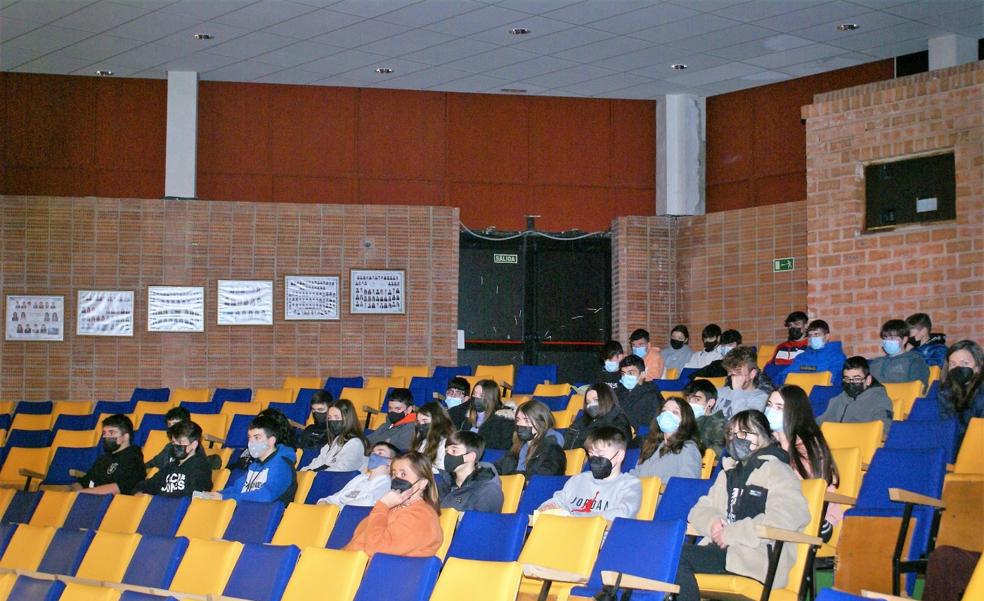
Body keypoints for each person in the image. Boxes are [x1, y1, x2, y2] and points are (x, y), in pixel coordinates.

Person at [677, 410, 811, 601]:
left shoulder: (778, 470)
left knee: (674, 558)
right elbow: (700, 509)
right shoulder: (729, 472)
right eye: (731, 434)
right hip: (723, 552)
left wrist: (731, 533)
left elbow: (787, 517)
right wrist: (713, 522)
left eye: (744, 433)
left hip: (756, 557)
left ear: (764, 437)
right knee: (667, 554)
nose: (735, 439)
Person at [765, 385, 840, 542]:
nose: (771, 411)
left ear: (794, 413)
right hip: (778, 513)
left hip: (816, 518)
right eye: (769, 405)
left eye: (779, 407)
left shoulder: (810, 446)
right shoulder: (767, 442)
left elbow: (803, 488)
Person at [344, 451, 443, 557]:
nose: (397, 479)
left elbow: (376, 550)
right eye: (394, 474)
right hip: (347, 564)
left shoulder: (422, 515)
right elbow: (357, 542)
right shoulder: (392, 508)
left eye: (403, 474)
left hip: (367, 571)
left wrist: (383, 506)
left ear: (422, 483)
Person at [537, 426, 642, 519]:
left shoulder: (629, 484)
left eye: (600, 454)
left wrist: (575, 518)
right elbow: (558, 500)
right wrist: (548, 507)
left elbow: (623, 513)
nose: (595, 459)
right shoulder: (578, 479)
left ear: (619, 455)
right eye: (591, 454)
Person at [207, 415, 297, 504]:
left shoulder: (282, 466)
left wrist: (224, 497)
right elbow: (237, 488)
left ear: (271, 441)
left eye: (257, 437)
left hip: (266, 515)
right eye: (249, 437)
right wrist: (216, 495)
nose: (251, 442)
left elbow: (266, 496)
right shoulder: (255, 465)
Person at [816, 356, 894, 433]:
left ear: (868, 380)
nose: (851, 383)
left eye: (857, 379)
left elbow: (882, 430)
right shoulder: (838, 399)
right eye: (847, 379)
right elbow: (820, 422)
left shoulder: (880, 401)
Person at [134, 420, 212, 497]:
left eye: (180, 442)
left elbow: (196, 495)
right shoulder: (170, 467)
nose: (176, 446)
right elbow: (146, 485)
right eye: (174, 443)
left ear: (194, 445)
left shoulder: (202, 467)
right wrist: (139, 493)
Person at [631, 398, 703, 480]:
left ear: (685, 420)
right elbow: (636, 474)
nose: (667, 415)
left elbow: (686, 485)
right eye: (664, 411)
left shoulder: (689, 449)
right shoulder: (652, 445)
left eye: (675, 412)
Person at [74, 414, 146, 495]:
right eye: (104, 433)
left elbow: (117, 489)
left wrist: (80, 493)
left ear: (125, 437)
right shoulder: (104, 459)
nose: (105, 436)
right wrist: (75, 494)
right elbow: (82, 482)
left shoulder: (134, 460)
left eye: (111, 433)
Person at [496, 400, 566, 476]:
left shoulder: (552, 445)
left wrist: (514, 477)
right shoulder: (521, 444)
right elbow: (500, 466)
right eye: (518, 420)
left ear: (541, 422)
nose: (520, 424)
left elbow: (543, 475)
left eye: (526, 421)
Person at [438, 431, 504, 512]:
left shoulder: (487, 491)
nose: (447, 456)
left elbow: (478, 523)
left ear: (471, 456)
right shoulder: (446, 483)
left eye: (454, 451)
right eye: (446, 451)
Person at [318, 442, 399, 507]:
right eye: (373, 452)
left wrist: (339, 507)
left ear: (390, 462)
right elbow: (336, 497)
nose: (373, 455)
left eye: (380, 452)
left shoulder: (386, 484)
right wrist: (323, 502)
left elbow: (369, 503)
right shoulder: (360, 478)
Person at [938, 340, 984, 447]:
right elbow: (948, 426)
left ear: (978, 366)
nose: (958, 368)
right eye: (953, 364)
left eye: (964, 363)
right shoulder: (946, 391)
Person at [302, 399, 368, 472]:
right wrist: (304, 472)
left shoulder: (355, 443)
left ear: (348, 419)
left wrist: (315, 472)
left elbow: (341, 471)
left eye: (337, 417)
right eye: (329, 418)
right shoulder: (334, 441)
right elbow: (316, 463)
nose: (332, 421)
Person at [448, 379, 515, 450]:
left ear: (491, 398)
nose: (476, 397)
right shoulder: (467, 415)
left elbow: (505, 448)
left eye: (481, 395)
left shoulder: (504, 419)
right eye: (474, 393)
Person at [776, 319, 847, 387]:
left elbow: (834, 381)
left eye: (816, 335)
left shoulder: (837, 357)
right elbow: (784, 375)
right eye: (810, 336)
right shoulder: (801, 357)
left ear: (827, 336)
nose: (813, 338)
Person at [564, 383, 632, 451]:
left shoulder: (618, 422)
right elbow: (568, 442)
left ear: (606, 399)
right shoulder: (585, 419)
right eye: (588, 402)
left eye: (596, 400)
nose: (591, 405)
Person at [715, 346, 771, 419]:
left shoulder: (762, 398)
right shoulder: (719, 392)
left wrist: (737, 391)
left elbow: (745, 424)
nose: (732, 376)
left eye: (738, 371)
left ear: (752, 374)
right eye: (730, 371)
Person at [869, 319, 930, 387]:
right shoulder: (876, 363)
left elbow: (917, 390)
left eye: (892, 338)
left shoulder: (915, 361)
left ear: (904, 340)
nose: (887, 341)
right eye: (885, 337)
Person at [145, 406, 207, 471]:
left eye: (175, 425)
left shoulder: (193, 448)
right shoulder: (169, 447)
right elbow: (152, 463)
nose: (172, 429)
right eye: (169, 425)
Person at [615, 354, 665, 430]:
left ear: (642, 374)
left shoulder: (651, 396)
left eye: (630, 373)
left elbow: (653, 428)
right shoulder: (619, 391)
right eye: (623, 373)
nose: (625, 377)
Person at [764, 311, 811, 382]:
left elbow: (812, 368)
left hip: (800, 382)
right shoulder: (781, 347)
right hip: (778, 384)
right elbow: (769, 368)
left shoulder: (811, 346)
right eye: (790, 325)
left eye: (797, 324)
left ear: (806, 325)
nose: (793, 327)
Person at [686, 378, 727, 457]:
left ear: (710, 403)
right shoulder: (684, 421)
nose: (690, 403)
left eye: (697, 399)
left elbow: (718, 456)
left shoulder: (718, 424)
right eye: (688, 399)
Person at [412, 401, 453, 471]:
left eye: (425, 421)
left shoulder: (446, 443)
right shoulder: (423, 440)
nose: (421, 425)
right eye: (418, 421)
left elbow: (442, 472)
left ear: (437, 421)